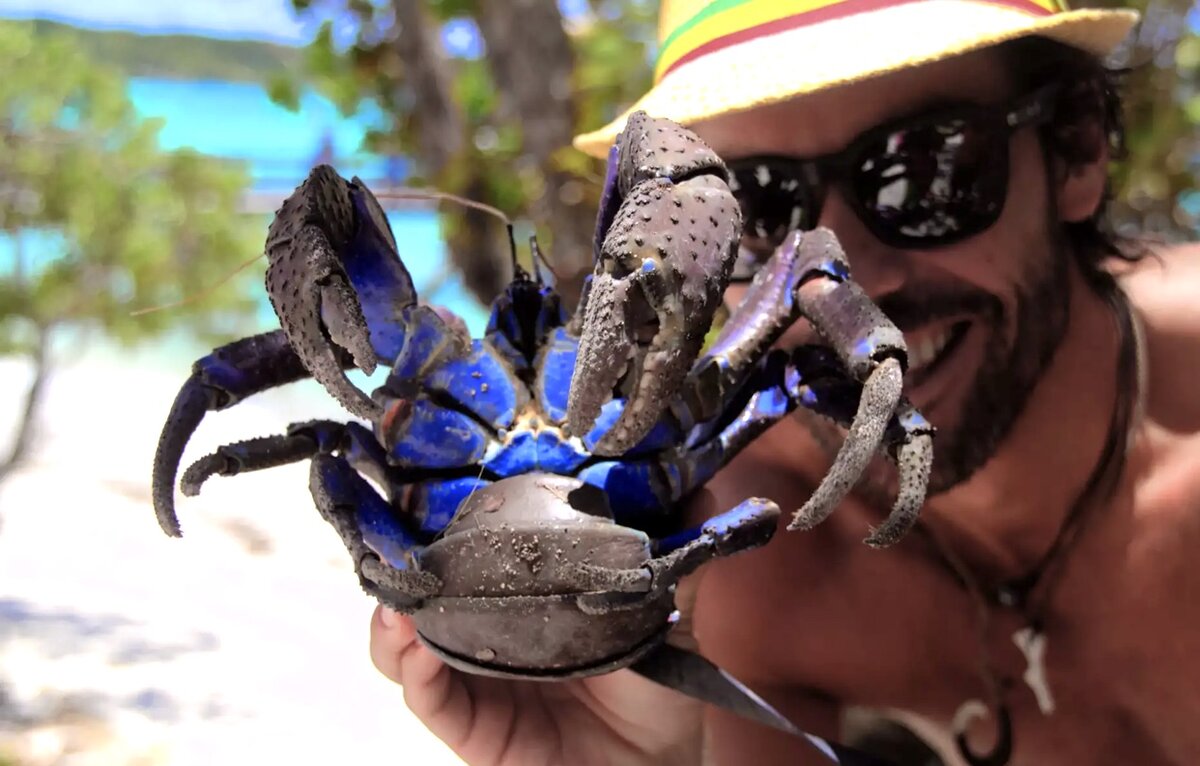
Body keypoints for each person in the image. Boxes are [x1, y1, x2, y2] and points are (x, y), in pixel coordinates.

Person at [369, 1, 1200, 763]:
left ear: (1080, 147)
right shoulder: (755, 548)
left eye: (922, 172)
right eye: (759, 209)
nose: (849, 279)